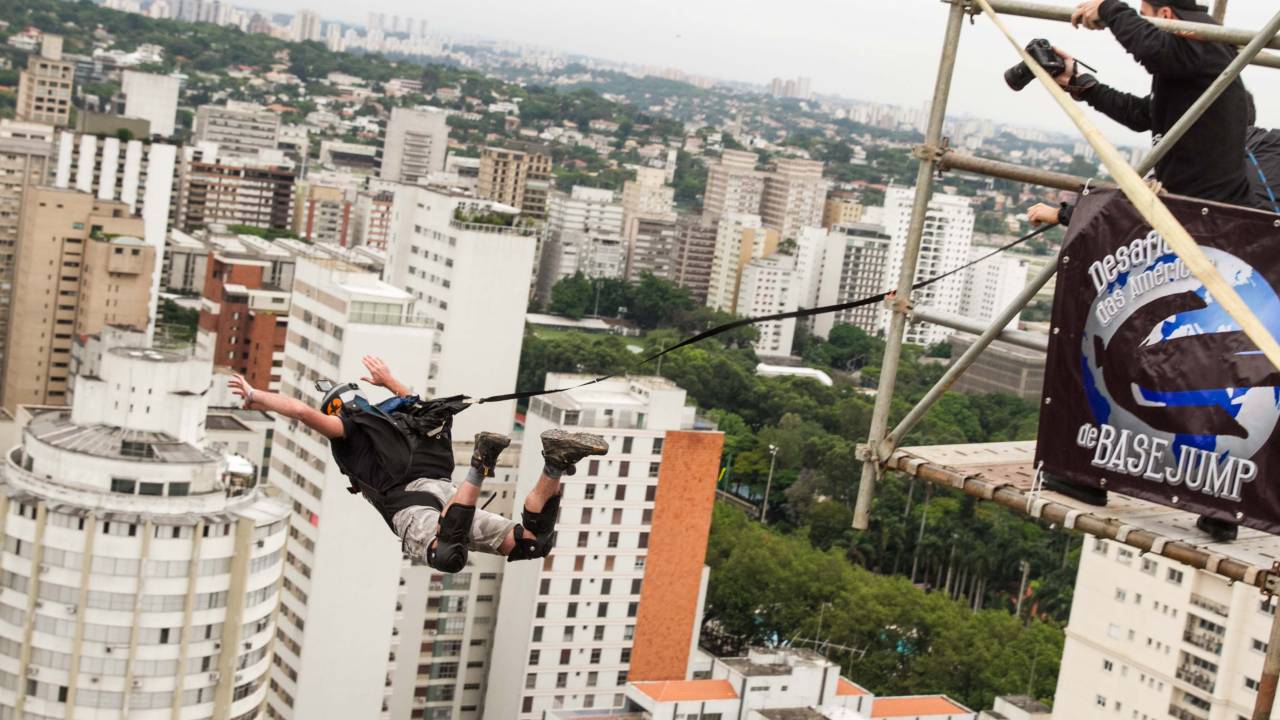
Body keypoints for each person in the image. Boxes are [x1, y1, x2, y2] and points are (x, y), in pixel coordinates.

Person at [227, 356, 609, 572]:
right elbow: (414, 398)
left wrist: (254, 396)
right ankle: (555, 464)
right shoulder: (405, 416)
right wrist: (389, 380)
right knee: (530, 544)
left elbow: (299, 411)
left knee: (447, 554)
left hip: (410, 502)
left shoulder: (350, 429)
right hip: (446, 491)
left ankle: (480, 466)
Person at [1027, 0, 1264, 229]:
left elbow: (1151, 49)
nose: (1141, 23)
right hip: (1197, 210)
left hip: (1210, 216)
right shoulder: (1190, 59)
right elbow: (1141, 114)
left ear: (1165, 16)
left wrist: (1108, 8)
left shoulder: (1204, 43)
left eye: (1143, 15)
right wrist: (1079, 83)